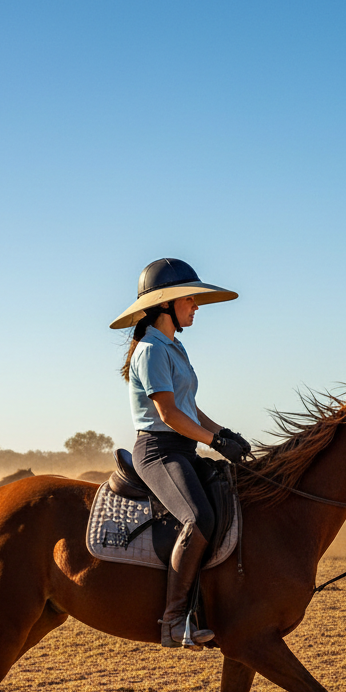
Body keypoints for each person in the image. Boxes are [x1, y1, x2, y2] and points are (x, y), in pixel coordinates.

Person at [111, 258, 251, 649]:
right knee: (199, 517)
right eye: (190, 299)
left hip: (183, 446)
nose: (196, 306)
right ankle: (173, 621)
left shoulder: (175, 346)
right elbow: (168, 414)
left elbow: (188, 407)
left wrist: (223, 432)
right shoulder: (151, 350)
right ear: (166, 305)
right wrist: (212, 441)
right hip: (158, 450)